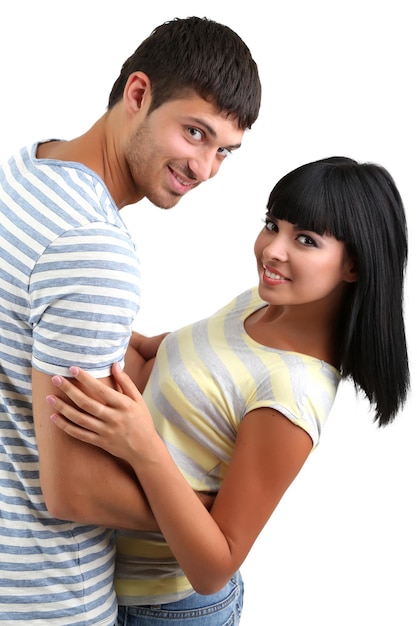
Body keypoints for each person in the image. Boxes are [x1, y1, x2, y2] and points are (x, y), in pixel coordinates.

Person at [46, 156, 409, 625]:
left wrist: (142, 447)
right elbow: (159, 353)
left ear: (353, 264)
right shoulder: (261, 302)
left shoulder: (291, 394)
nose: (272, 250)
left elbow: (215, 566)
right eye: (272, 225)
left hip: (164, 609)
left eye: (305, 240)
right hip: (100, 575)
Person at [0, 16, 261, 625]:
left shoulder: (25, 168)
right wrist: (203, 514)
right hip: (50, 598)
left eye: (224, 150)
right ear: (137, 94)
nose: (206, 168)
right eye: (194, 133)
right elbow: (74, 491)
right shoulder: (94, 245)